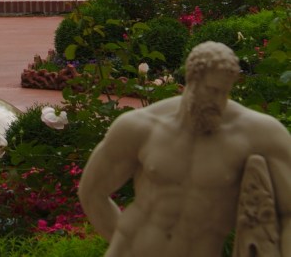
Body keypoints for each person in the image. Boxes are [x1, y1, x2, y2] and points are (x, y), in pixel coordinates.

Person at [78, 42, 291, 257]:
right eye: (212, 90)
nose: (219, 102)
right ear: (191, 81)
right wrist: (127, 242)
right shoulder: (141, 126)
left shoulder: (259, 134)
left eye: (225, 92)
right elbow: (92, 191)